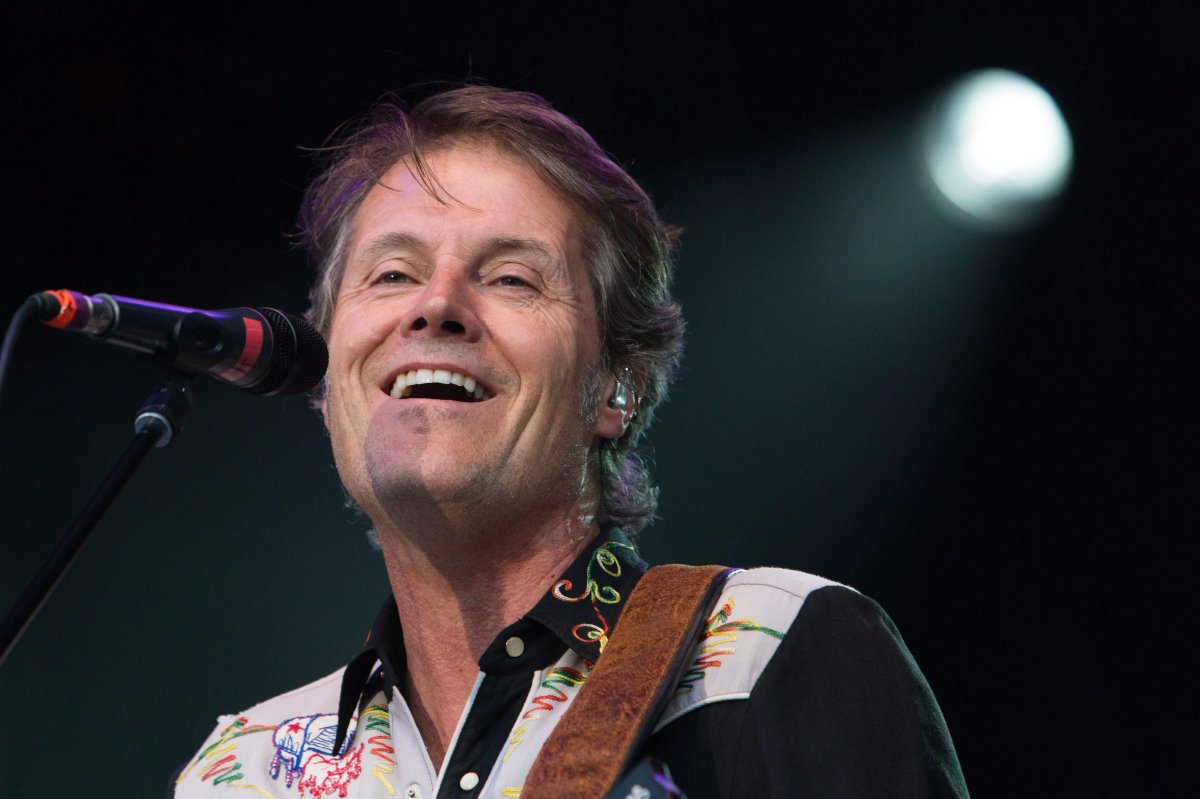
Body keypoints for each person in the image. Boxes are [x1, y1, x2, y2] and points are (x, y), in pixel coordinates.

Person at [172, 86, 969, 798]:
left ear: (616, 388)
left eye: (512, 278)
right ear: (326, 379)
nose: (436, 305)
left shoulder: (768, 651)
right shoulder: (244, 771)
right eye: (391, 275)